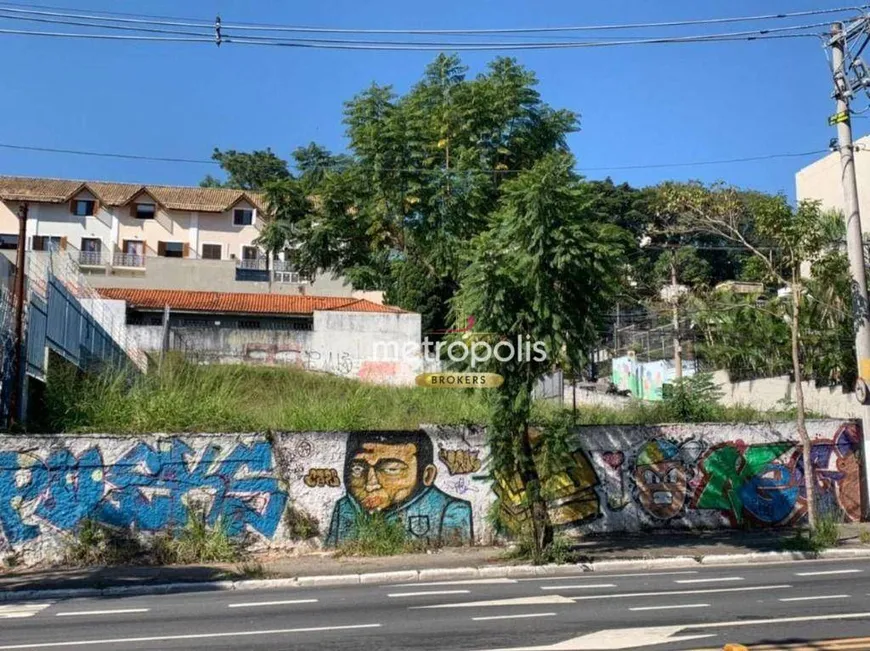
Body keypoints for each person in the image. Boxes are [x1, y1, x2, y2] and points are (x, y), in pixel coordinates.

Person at [325, 432, 473, 546]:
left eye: (391, 469)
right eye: (357, 469)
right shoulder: (346, 507)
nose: (371, 484)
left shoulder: (450, 510)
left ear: (427, 475)